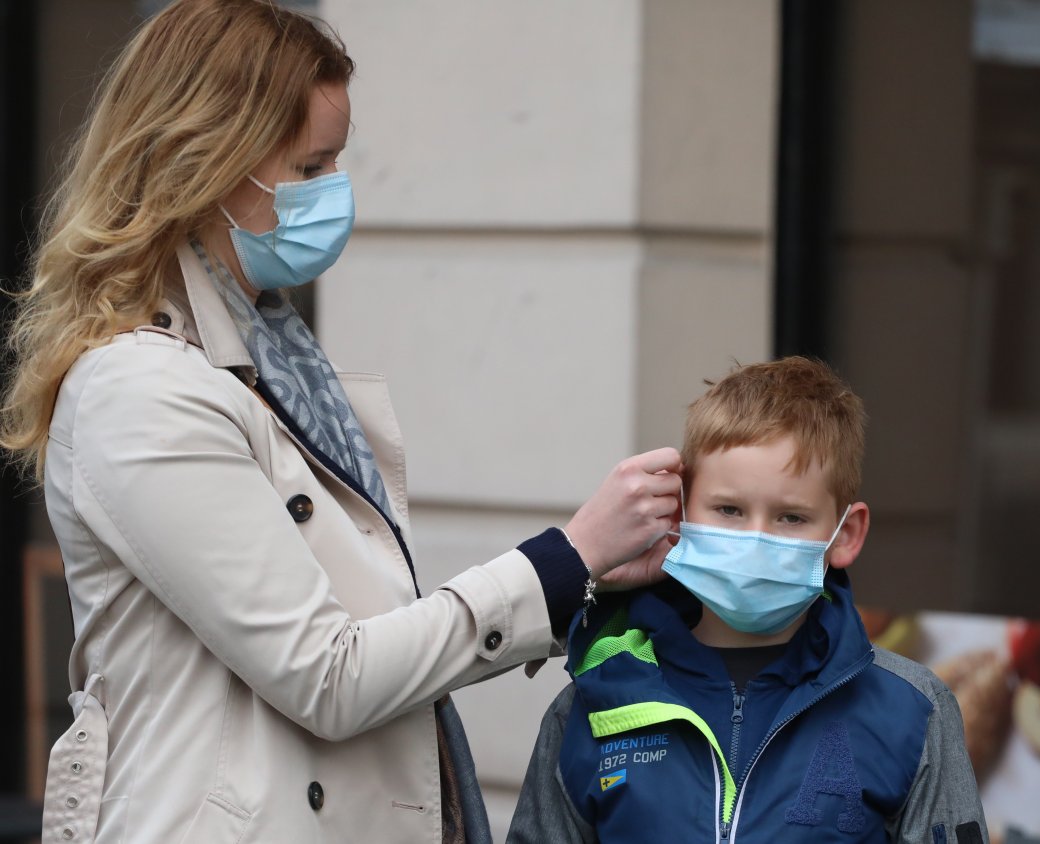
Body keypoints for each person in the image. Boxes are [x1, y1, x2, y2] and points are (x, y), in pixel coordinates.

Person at [0, 2, 680, 842]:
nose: (334, 192)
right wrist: (559, 560)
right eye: (310, 164)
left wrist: (582, 576)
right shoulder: (142, 391)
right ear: (207, 161)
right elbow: (327, 674)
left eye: (336, 161)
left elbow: (365, 630)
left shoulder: (270, 358)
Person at [508, 357, 988, 843]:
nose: (756, 538)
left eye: (791, 518)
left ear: (846, 534)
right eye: (729, 509)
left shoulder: (911, 708)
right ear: (679, 513)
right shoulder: (595, 701)